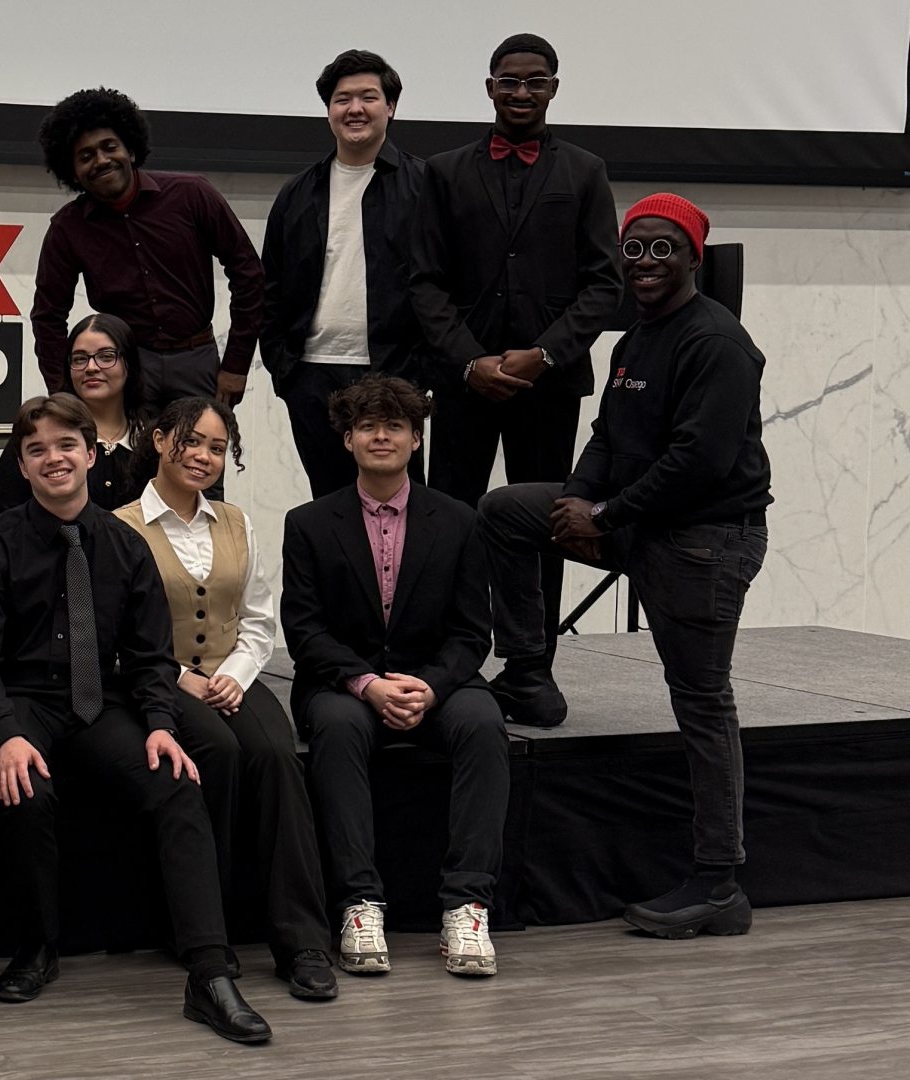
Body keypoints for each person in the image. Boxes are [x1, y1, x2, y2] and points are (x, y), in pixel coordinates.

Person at [479, 194, 771, 938]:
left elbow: (699, 462)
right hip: (639, 520)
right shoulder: (634, 340)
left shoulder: (717, 342)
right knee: (506, 511)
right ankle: (528, 672)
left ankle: (718, 883)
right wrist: (573, 504)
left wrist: (605, 517)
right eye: (633, 248)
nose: (644, 262)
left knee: (701, 702)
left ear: (693, 258)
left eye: (662, 248)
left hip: (704, 538)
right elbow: (607, 437)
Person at [0, 393, 271, 1045]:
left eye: (66, 445)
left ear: (90, 453)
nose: (54, 458)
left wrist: (160, 724)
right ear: (21, 463)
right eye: (37, 449)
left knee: (178, 784)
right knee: (25, 789)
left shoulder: (125, 545)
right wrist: (5, 734)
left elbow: (151, 656)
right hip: (25, 702)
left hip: (101, 702)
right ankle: (37, 947)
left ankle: (209, 974)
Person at [281, 374, 507, 978]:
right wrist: (369, 684)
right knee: (336, 728)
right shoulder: (308, 523)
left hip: (436, 680)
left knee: (484, 723)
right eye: (367, 426)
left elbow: (471, 632)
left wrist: (430, 687)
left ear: (416, 438)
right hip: (345, 683)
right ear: (347, 439)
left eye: (395, 426)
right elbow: (304, 631)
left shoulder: (459, 520)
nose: (381, 436)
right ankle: (359, 903)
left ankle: (467, 905)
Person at [113, 397, 337, 1001]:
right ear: (160, 440)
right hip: (159, 680)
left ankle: (302, 941)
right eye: (192, 441)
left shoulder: (236, 521)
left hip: (232, 673)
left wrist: (236, 674)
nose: (203, 457)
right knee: (219, 752)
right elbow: (113, 634)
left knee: (278, 757)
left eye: (217, 448)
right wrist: (176, 675)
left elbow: (258, 620)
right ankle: (207, 930)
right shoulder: (122, 526)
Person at [410, 33, 622, 651]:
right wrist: (468, 361)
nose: (521, 92)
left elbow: (604, 283)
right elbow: (424, 281)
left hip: (549, 384)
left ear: (554, 88)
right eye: (509, 81)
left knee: (548, 522)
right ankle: (448, 654)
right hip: (464, 383)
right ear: (489, 88)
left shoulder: (586, 171)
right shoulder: (444, 172)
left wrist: (546, 353)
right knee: (450, 518)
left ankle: (534, 662)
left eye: (535, 81)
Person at [30, 87, 266, 405]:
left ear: (130, 149)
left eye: (109, 147)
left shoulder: (192, 195)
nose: (101, 161)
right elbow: (48, 316)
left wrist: (236, 364)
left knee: (199, 440)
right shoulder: (67, 228)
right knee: (122, 442)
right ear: (72, 171)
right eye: (85, 157)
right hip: (124, 369)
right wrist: (63, 392)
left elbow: (248, 274)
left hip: (197, 359)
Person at [261, 50, 428, 498]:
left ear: (390, 107)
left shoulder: (424, 186)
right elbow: (271, 284)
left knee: (399, 502)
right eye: (342, 99)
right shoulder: (298, 192)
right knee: (328, 505)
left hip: (393, 371)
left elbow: (445, 282)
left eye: (368, 97)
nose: (355, 109)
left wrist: (423, 371)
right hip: (312, 374)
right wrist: (283, 368)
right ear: (329, 111)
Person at [0, 313, 155, 517]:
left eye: (106, 357)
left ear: (129, 363)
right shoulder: (35, 434)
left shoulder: (154, 439)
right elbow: (4, 520)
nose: (91, 368)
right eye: (80, 359)